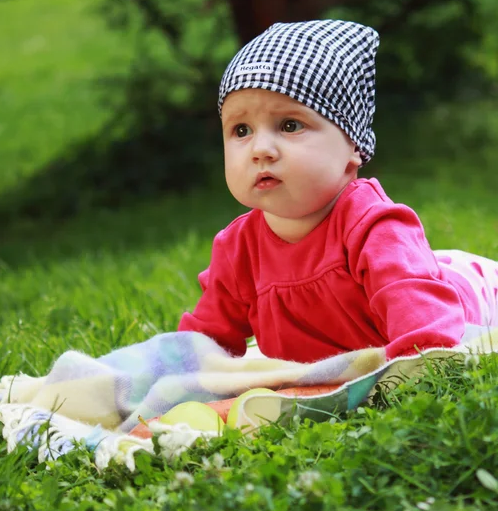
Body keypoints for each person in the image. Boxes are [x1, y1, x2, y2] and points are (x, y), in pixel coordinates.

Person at [177, 19, 498, 362]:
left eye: (289, 125)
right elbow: (204, 344)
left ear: (353, 146)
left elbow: (427, 341)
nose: (260, 149)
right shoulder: (238, 249)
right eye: (241, 130)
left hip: (475, 292)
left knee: (438, 278)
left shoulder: (374, 227)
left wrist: (410, 374)